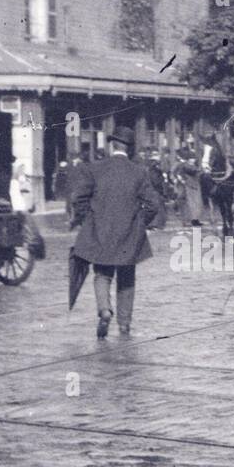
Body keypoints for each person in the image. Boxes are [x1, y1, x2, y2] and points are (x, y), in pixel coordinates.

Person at [70, 125, 160, 338]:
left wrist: (88, 220)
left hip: (100, 232)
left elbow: (78, 198)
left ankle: (104, 310)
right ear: (129, 149)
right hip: (130, 234)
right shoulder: (139, 172)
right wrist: (140, 223)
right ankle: (124, 325)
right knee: (127, 278)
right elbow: (153, 204)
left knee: (102, 274)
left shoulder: (95, 168)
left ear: (112, 145)